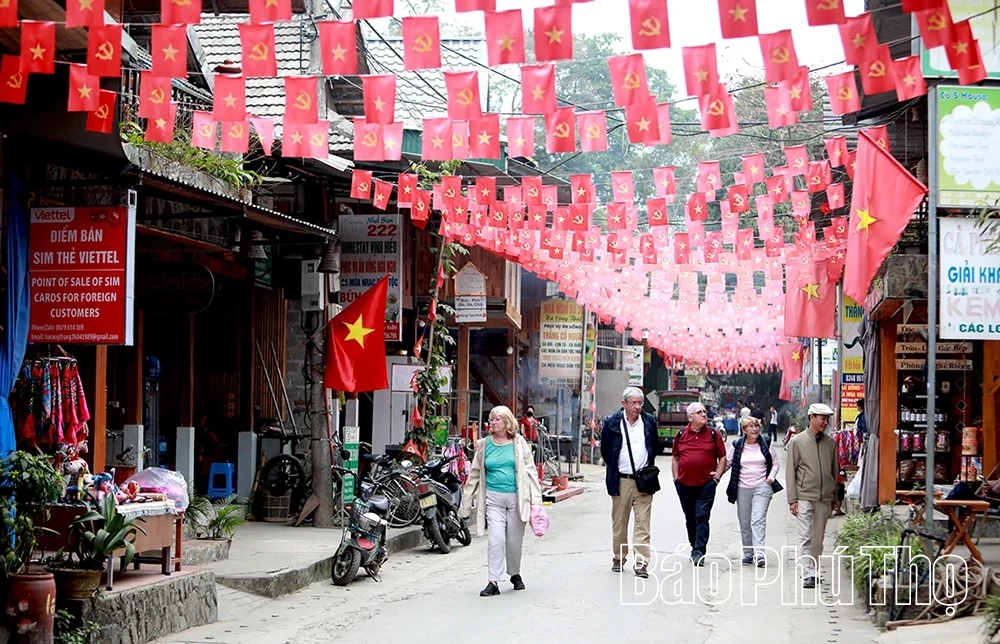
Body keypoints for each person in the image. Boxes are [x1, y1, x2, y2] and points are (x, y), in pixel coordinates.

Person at [460, 405, 543, 597]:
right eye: (491, 418)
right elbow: (474, 474)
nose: (493, 422)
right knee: (495, 539)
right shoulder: (484, 444)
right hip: (493, 498)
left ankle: (514, 573)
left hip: (516, 498)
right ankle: (493, 581)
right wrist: (465, 505)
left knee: (514, 542)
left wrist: (536, 501)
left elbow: (530, 471)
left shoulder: (519, 442)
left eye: (497, 419)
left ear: (507, 422)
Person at [600, 386, 659, 578]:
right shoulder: (612, 423)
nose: (637, 407)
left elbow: (654, 446)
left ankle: (641, 563)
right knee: (620, 522)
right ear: (623, 403)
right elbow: (606, 451)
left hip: (643, 480)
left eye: (640, 403)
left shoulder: (649, 421)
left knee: (643, 522)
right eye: (633, 403)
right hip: (621, 479)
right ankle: (619, 556)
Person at [786, 403, 838, 589]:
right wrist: (792, 499)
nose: (825, 422)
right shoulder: (797, 442)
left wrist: (835, 497)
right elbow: (790, 472)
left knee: (818, 538)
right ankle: (808, 573)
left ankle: (815, 570)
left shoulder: (831, 443)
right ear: (811, 418)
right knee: (805, 537)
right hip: (805, 496)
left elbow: (834, 470)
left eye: (827, 419)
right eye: (822, 418)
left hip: (824, 498)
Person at [672, 401, 727, 565]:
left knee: (701, 516)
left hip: (706, 484)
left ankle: (699, 551)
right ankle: (693, 544)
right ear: (690, 417)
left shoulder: (713, 434)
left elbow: (722, 456)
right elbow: (675, 457)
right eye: (699, 412)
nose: (704, 414)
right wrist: (676, 479)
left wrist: (718, 474)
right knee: (690, 518)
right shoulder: (681, 434)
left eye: (704, 411)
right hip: (684, 484)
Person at [725, 417, 779, 567]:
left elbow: (775, 463)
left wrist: (771, 478)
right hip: (742, 487)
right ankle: (748, 553)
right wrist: (717, 474)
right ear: (744, 430)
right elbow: (728, 463)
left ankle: (760, 553)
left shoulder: (766, 442)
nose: (755, 429)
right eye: (751, 426)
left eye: (756, 426)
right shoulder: (737, 445)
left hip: (762, 486)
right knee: (744, 522)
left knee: (758, 519)